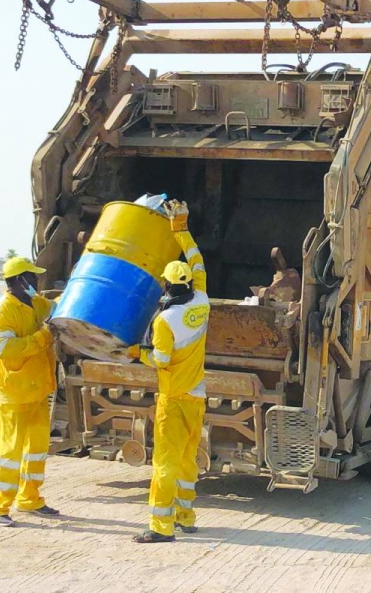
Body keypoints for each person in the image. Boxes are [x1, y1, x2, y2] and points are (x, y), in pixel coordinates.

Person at [127, 200, 209, 543]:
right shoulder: (202, 302)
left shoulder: (165, 320)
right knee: (188, 461)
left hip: (173, 398)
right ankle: (186, 516)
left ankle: (161, 526)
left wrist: (135, 352)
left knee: (164, 463)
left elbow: (160, 359)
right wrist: (181, 229)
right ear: (188, 283)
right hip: (197, 396)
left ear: (165, 286)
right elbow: (198, 261)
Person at [0, 256, 61, 527]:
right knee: (9, 452)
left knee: (36, 449)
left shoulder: (35, 303)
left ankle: (30, 499)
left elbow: (56, 308)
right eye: (33, 277)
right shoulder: (1, 313)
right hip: (13, 393)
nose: (37, 282)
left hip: (37, 389)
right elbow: (6, 351)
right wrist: (43, 337)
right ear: (18, 281)